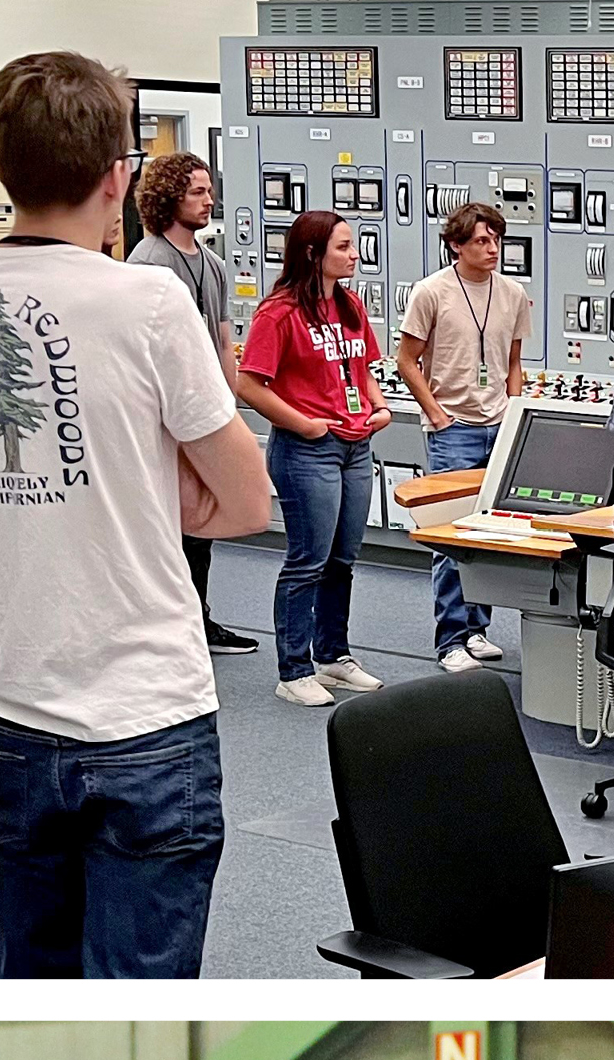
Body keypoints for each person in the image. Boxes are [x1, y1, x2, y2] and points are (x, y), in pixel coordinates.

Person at [0, 51, 270, 982]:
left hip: (14, 704)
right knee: (141, 998)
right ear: (118, 178)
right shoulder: (145, 298)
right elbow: (250, 499)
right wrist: (143, 495)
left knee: (31, 984)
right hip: (146, 709)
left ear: (2, 168)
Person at [229, 209, 389, 709]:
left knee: (343, 558)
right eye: (343, 247)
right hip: (308, 451)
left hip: (355, 445)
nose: (355, 254)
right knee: (307, 561)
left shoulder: (350, 305)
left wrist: (379, 405)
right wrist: (305, 424)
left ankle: (333, 656)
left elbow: (360, 368)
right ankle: (293, 669)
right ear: (313, 253)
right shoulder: (278, 313)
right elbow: (249, 383)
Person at [128, 152, 263, 656]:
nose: (210, 201)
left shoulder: (214, 264)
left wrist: (227, 412)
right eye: (198, 192)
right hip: (162, 422)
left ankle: (197, 621)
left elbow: (224, 342)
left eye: (210, 191)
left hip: (203, 416)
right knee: (167, 530)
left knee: (199, 529)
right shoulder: (147, 264)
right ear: (168, 198)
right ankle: (169, 627)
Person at [400, 201, 530, 672]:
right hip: (452, 427)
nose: (492, 247)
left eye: (496, 239)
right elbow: (406, 360)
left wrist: (515, 415)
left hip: (498, 424)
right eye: (481, 240)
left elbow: (513, 363)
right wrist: (436, 415)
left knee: (489, 534)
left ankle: (477, 630)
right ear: (456, 245)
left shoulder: (512, 294)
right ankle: (451, 639)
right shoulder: (431, 293)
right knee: (451, 536)